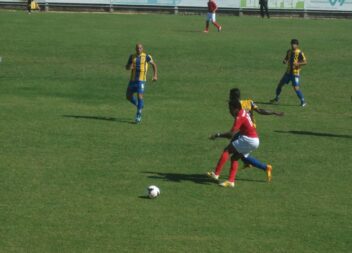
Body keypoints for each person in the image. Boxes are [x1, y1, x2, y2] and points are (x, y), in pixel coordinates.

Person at [229, 88, 283, 177]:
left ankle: (265, 167)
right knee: (239, 152)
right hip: (251, 130)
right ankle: (252, 164)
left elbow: (235, 117)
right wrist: (274, 112)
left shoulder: (235, 106)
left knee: (232, 150)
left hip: (246, 133)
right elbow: (260, 111)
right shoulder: (249, 102)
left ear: (232, 96)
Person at [207, 100, 261, 188]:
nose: (229, 111)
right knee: (235, 158)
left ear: (235, 108)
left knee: (227, 150)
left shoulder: (239, 116)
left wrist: (217, 135)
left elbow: (230, 135)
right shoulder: (243, 111)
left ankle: (216, 174)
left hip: (249, 139)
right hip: (255, 140)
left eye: (230, 108)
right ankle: (231, 181)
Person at [125, 43, 157, 123]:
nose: (138, 49)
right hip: (132, 80)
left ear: (142, 49)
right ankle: (139, 105)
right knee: (128, 96)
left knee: (140, 96)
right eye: (137, 48)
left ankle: (138, 114)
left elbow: (154, 65)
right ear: (135, 49)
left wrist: (155, 75)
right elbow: (126, 67)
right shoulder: (132, 56)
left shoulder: (146, 57)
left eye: (140, 48)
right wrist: (129, 67)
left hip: (141, 81)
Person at [270, 39, 307, 107]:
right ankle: (277, 98)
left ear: (297, 45)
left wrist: (297, 63)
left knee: (296, 88)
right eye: (292, 44)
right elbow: (286, 59)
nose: (293, 45)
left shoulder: (300, 52)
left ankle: (303, 101)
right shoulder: (289, 51)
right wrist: (284, 61)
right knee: (280, 85)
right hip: (288, 72)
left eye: (294, 44)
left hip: (295, 74)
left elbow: (305, 62)